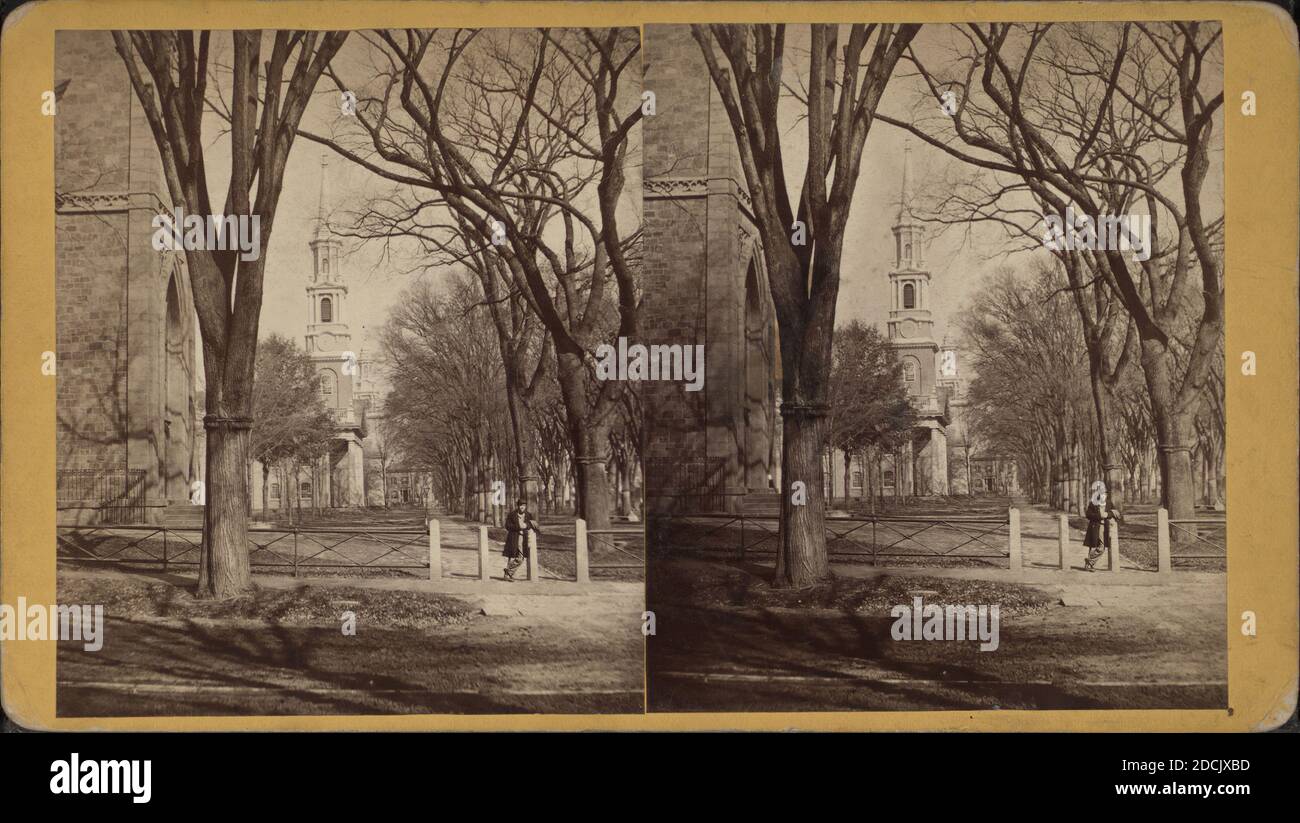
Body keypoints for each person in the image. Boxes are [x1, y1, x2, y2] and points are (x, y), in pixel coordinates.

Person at [1083, 481, 1123, 571]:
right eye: (1101, 493)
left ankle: (1089, 562)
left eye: (1105, 493)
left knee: (1101, 547)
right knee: (1095, 546)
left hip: (1105, 527)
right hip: (1095, 526)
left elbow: (1115, 513)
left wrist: (1107, 514)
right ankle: (1089, 564)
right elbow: (1088, 514)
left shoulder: (1109, 503)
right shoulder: (1094, 503)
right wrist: (1099, 516)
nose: (1103, 495)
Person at [503, 498, 541, 581]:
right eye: (520, 505)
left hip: (524, 538)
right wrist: (518, 527)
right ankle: (508, 574)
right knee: (513, 556)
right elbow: (507, 526)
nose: (522, 507)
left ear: (526, 506)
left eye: (524, 505)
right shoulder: (512, 515)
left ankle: (508, 572)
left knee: (520, 557)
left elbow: (532, 524)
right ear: (518, 506)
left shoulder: (528, 515)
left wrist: (526, 525)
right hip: (513, 537)